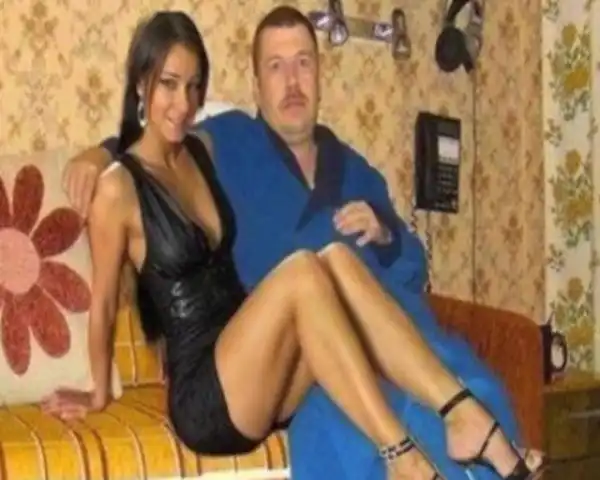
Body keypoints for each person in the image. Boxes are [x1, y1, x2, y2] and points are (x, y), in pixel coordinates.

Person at [52, 7, 543, 480]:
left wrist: (384, 233)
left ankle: (465, 416)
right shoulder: (198, 153)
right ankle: (406, 456)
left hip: (312, 350)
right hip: (223, 384)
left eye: (303, 63)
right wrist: (99, 154)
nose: (292, 81)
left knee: (338, 261)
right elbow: (150, 156)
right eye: (276, 66)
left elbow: (412, 266)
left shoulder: (318, 163)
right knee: (306, 271)